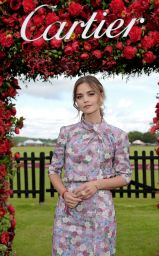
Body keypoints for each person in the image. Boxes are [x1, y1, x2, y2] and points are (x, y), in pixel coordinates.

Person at [48, 75, 132, 256]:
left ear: (100, 96)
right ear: (76, 102)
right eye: (79, 96)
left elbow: (125, 176)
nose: (85, 99)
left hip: (100, 212)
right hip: (68, 210)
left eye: (90, 94)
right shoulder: (67, 132)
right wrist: (64, 193)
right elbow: (53, 170)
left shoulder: (118, 135)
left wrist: (96, 184)